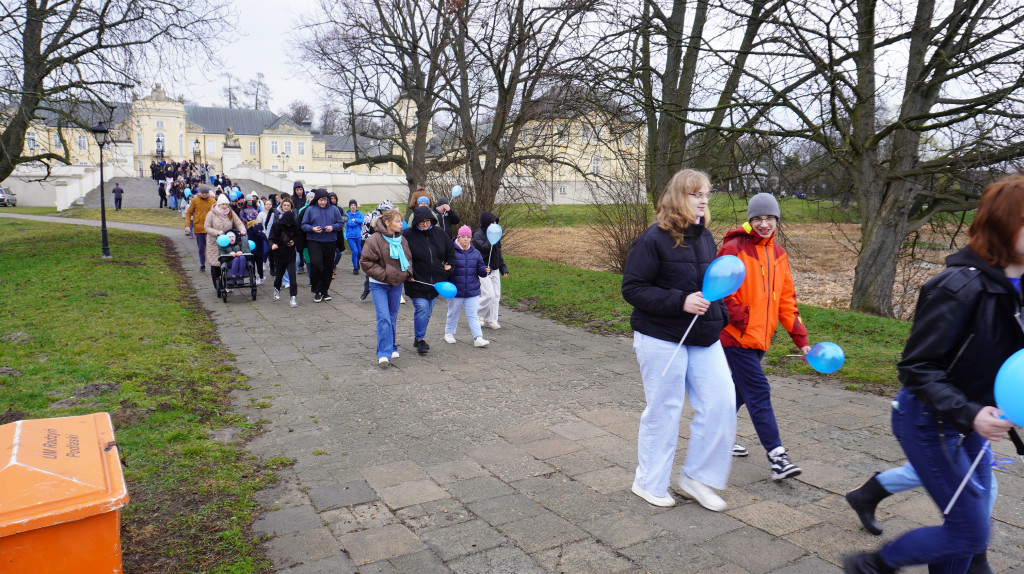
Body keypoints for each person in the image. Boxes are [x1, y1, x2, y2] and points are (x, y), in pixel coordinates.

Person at [843, 175, 1024, 574]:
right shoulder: (956, 287)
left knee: (970, 527)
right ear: (1005, 225)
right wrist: (969, 413)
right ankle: (873, 565)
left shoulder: (1019, 286)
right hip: (930, 422)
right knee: (971, 534)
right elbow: (917, 368)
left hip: (975, 420)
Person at [621, 168, 735, 512]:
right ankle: (649, 482)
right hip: (660, 337)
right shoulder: (652, 239)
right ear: (677, 197)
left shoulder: (706, 237)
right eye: (695, 194)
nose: (702, 200)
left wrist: (721, 316)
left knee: (721, 403)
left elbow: (713, 282)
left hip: (704, 336)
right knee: (665, 409)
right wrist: (680, 301)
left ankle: (697, 479)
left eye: (706, 194)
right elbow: (633, 289)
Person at [717, 192, 809, 480]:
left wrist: (802, 341)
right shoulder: (733, 248)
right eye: (757, 218)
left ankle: (716, 437)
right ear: (750, 220)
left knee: (740, 392)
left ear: (777, 220)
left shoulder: (779, 254)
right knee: (758, 391)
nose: (764, 223)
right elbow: (720, 292)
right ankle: (777, 457)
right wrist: (742, 320)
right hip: (735, 337)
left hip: (760, 339)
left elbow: (786, 302)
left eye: (769, 217)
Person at [360, 208, 413, 365]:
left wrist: (408, 273)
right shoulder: (374, 239)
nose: (401, 224)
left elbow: (408, 259)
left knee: (392, 317)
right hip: (379, 285)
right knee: (383, 317)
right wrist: (385, 275)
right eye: (398, 221)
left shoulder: (402, 240)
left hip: (396, 284)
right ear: (388, 223)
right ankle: (383, 353)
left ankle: (392, 346)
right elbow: (365, 262)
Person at [403, 206, 454, 354]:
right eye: (421, 221)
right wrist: (407, 273)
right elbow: (401, 257)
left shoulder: (440, 233)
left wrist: (450, 268)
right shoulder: (407, 236)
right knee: (422, 308)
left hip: (436, 282)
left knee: (428, 311)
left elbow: (451, 253)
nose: (425, 224)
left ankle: (419, 335)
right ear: (416, 222)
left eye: (427, 221)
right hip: (416, 281)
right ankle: (420, 340)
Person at [444, 225, 490, 347]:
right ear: (458, 238)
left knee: (473, 314)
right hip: (456, 290)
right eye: (463, 237)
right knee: (453, 313)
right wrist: (446, 269)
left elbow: (480, 268)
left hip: (472, 290)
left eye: (468, 237)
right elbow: (446, 269)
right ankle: (449, 333)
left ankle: (478, 337)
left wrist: (484, 270)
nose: (466, 239)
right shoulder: (451, 252)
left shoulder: (476, 253)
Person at [300, 189, 345, 302]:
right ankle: (316, 290)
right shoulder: (310, 209)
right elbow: (303, 225)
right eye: (321, 200)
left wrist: (332, 227)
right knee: (316, 264)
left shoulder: (334, 209)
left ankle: (325, 291)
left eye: (325, 200)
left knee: (328, 267)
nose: (323, 202)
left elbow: (340, 223)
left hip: (330, 241)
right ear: (316, 199)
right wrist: (312, 229)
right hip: (314, 241)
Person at [204, 194, 247, 293]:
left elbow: (238, 223)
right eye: (222, 204)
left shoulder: (230, 212)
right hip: (214, 243)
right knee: (216, 265)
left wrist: (242, 230)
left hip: (228, 243)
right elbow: (206, 227)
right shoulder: (211, 214)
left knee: (228, 263)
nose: (224, 206)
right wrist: (217, 232)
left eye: (226, 204)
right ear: (218, 204)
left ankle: (228, 284)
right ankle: (218, 286)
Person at [473, 211, 509, 329]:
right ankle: (477, 315)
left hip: (494, 268)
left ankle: (492, 319)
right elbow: (483, 248)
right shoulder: (478, 234)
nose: (494, 225)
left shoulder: (496, 235)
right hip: (484, 268)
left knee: (496, 295)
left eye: (496, 222)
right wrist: (491, 239)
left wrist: (503, 267)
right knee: (488, 294)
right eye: (492, 222)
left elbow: (498, 253)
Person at [360, 200, 395, 300]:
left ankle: (389, 289)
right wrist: (378, 239)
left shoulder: (392, 219)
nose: (386, 212)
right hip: (372, 247)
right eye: (384, 210)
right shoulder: (370, 216)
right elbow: (363, 234)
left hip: (388, 248)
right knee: (371, 269)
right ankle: (367, 289)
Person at [269, 197, 300, 308]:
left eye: (290, 225)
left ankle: (293, 297)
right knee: (279, 275)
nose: (288, 226)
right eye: (287, 225)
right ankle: (277, 289)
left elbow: (298, 236)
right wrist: (273, 245)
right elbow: (271, 238)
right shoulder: (277, 225)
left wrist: (293, 242)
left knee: (292, 276)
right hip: (279, 254)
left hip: (290, 254)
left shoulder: (294, 225)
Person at [184, 185, 216, 272]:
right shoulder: (195, 200)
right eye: (203, 193)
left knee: (211, 248)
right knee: (201, 248)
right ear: (200, 193)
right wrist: (187, 225)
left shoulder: (213, 201)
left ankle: (213, 264)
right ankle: (202, 264)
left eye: (206, 193)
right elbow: (189, 213)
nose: (205, 195)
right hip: (198, 228)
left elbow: (217, 214)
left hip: (209, 229)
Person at [345, 199, 365, 275]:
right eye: (351, 205)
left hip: (359, 236)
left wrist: (355, 219)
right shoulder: (347, 214)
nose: (353, 207)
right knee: (355, 251)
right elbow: (349, 223)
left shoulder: (360, 213)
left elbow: (363, 221)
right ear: (349, 206)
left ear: (356, 206)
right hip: (350, 236)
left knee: (360, 252)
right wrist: (357, 222)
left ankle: (357, 262)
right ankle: (355, 267)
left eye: (354, 205)